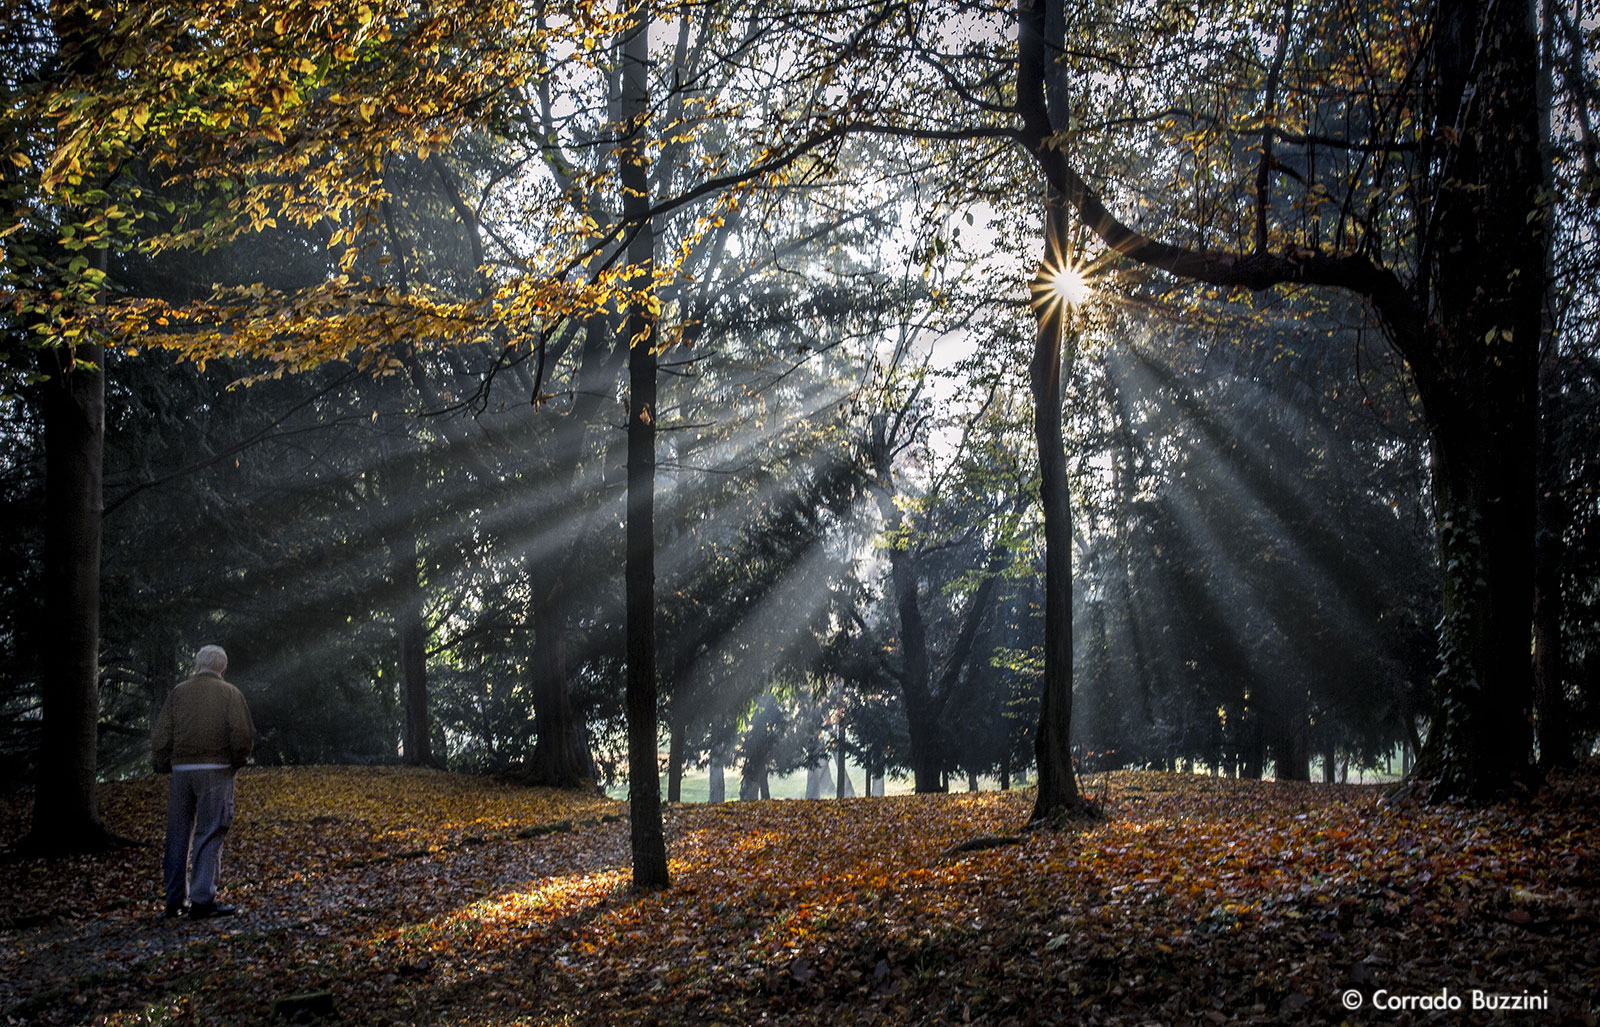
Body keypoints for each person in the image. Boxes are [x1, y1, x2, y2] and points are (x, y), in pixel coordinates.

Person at [152, 645, 255, 920]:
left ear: (198, 666)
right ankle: (201, 899)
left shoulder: (179, 693)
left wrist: (167, 761)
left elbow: (161, 736)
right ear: (222, 668)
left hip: (182, 770)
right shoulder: (230, 693)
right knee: (210, 832)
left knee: (177, 835)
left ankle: (174, 900)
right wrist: (235, 762)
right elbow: (243, 735)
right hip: (216, 768)